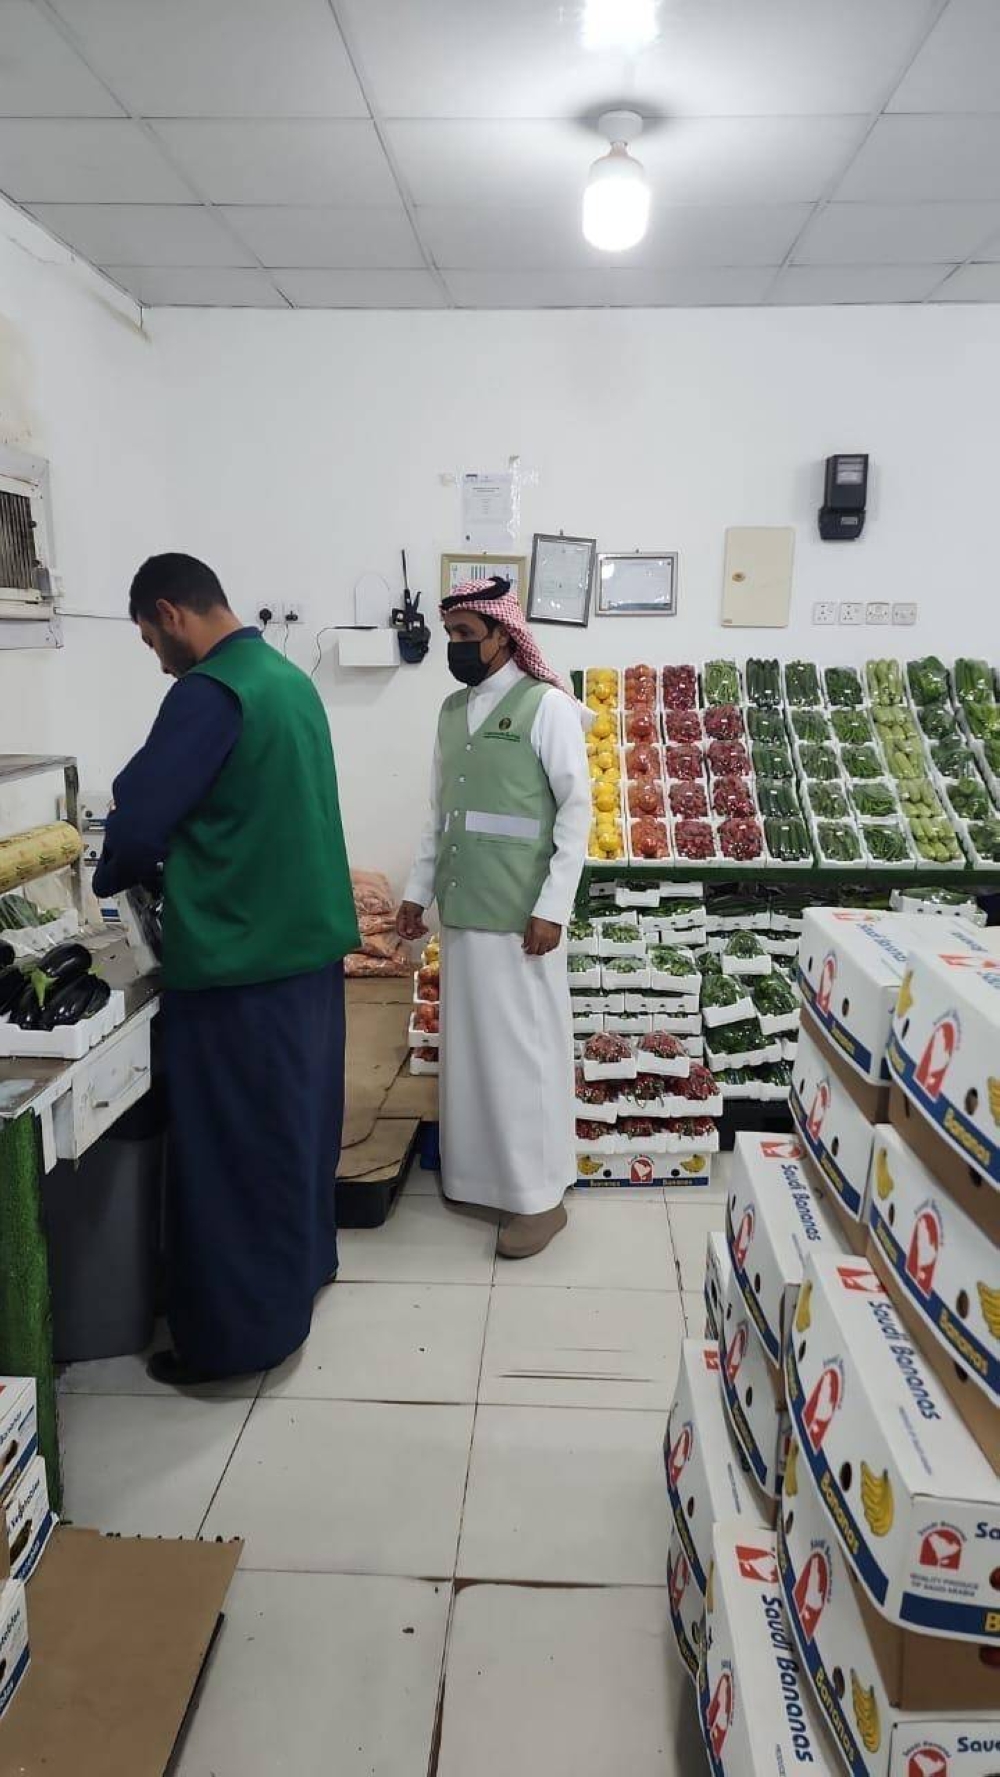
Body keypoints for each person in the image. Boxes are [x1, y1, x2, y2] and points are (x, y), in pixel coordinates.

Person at [93, 554, 359, 1385]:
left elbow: (139, 818)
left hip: (240, 966)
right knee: (295, 1134)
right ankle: (301, 1274)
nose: (156, 659)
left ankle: (237, 1340)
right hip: (306, 958)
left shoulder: (210, 693)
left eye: (149, 639)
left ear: (170, 612)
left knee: (232, 1155)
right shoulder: (286, 680)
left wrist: (114, 871)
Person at [398, 578, 591, 1258]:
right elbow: (440, 815)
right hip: (463, 910)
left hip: (520, 918)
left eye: (465, 635)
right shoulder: (452, 712)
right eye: (449, 634)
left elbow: (576, 812)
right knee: (473, 1055)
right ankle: (481, 1179)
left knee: (523, 1057)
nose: (454, 646)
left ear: (503, 635)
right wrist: (417, 893)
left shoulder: (546, 706)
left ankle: (539, 1200)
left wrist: (553, 907)